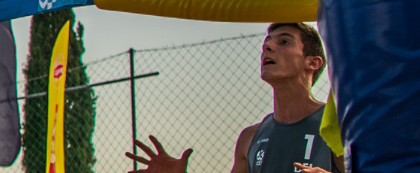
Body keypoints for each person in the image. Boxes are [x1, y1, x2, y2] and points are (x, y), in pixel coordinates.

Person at [127, 22, 340, 173]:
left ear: (313, 62)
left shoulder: (336, 124)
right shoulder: (250, 137)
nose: (267, 46)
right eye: (267, 41)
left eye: (284, 42)